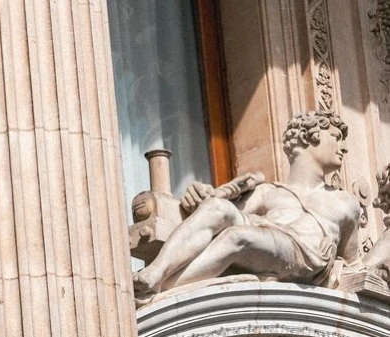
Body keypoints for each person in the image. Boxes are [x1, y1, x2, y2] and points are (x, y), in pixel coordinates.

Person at [133, 111, 361, 299]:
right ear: (308, 137)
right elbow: (217, 213)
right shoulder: (268, 192)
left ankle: (164, 290)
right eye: (335, 137)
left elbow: (354, 263)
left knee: (238, 237)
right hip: (269, 240)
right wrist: (209, 195)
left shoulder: (345, 202)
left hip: (304, 256)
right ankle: (156, 272)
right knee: (218, 209)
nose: (343, 147)